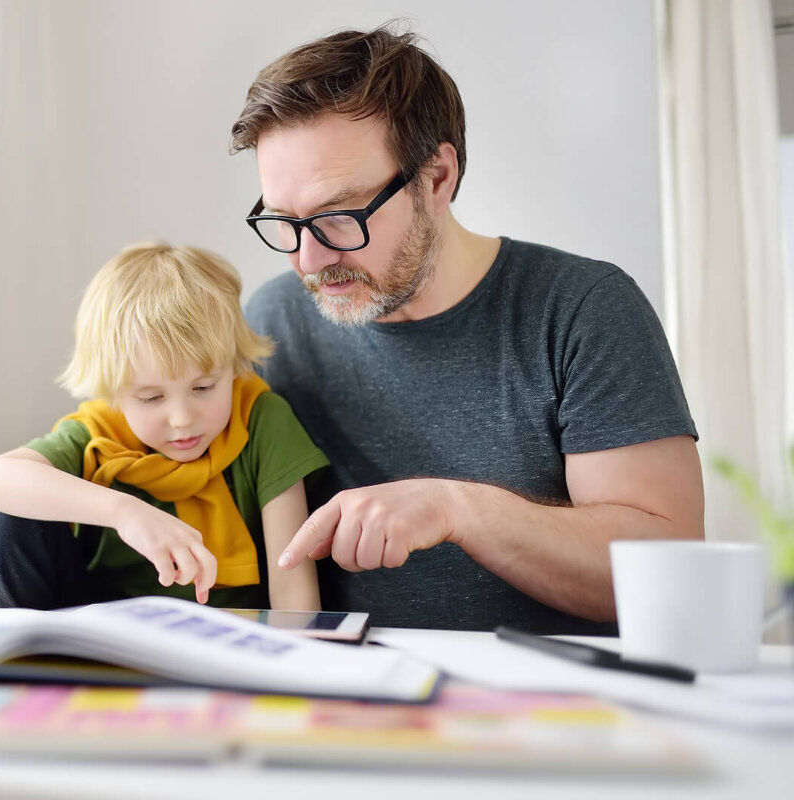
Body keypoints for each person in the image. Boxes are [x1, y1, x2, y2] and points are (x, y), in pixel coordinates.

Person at [229, 23, 703, 634]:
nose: (308, 262)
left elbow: (672, 573)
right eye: (285, 221)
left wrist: (459, 510)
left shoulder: (581, 310)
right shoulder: (271, 324)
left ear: (436, 178)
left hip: (550, 714)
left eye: (338, 217)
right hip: (346, 707)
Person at [0, 241, 329, 611]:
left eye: (203, 387)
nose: (182, 418)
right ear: (115, 394)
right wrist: (124, 512)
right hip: (98, 634)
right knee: (4, 511)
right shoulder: (100, 432)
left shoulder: (261, 418)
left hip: (229, 644)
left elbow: (295, 595)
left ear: (233, 368)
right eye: (151, 398)